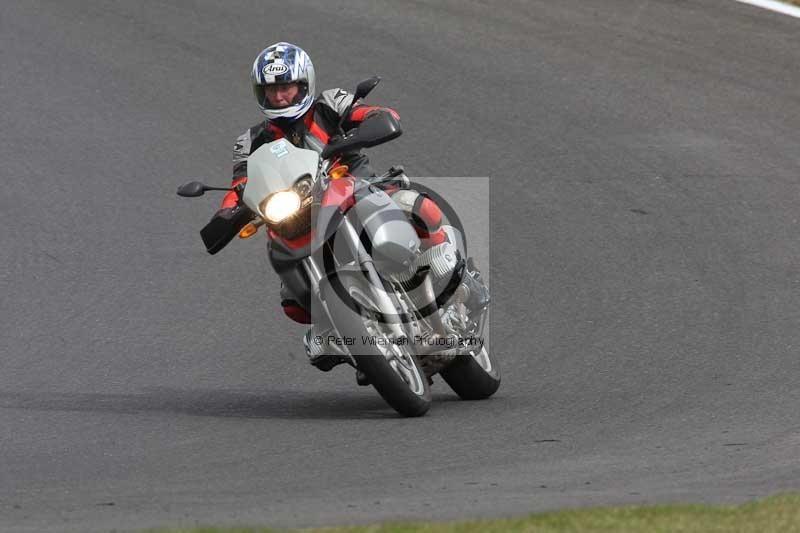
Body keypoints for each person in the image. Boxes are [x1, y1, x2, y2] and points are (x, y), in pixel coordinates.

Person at [203, 42, 488, 370]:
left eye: (285, 87)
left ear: (304, 84)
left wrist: (370, 126)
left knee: (416, 206)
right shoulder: (250, 142)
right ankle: (344, 335)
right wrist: (226, 214)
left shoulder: (330, 103)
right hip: (299, 215)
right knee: (291, 299)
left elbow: (377, 115)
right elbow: (240, 186)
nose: (279, 97)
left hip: (358, 188)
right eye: (271, 91)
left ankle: (459, 278)